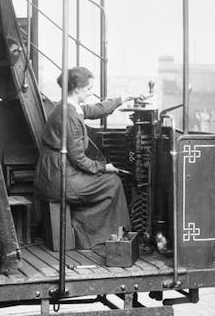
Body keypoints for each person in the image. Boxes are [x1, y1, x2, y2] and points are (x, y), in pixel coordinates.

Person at [35, 67, 139, 250]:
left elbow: (96, 109)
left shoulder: (66, 107)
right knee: (113, 182)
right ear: (77, 89)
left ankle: (86, 232)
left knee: (108, 181)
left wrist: (123, 98)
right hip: (62, 178)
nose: (92, 93)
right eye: (89, 88)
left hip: (54, 172)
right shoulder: (70, 116)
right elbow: (79, 160)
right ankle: (105, 236)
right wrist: (104, 167)